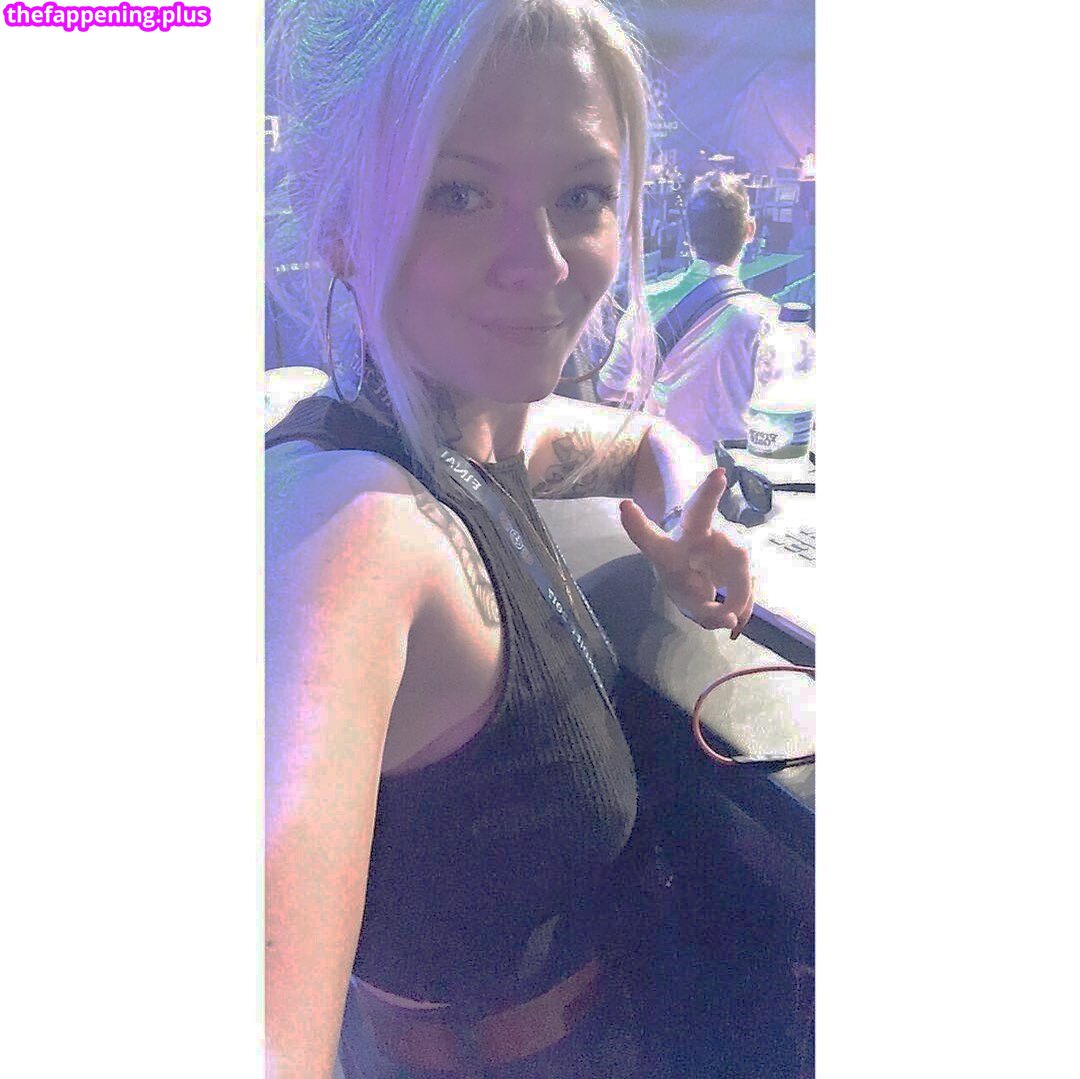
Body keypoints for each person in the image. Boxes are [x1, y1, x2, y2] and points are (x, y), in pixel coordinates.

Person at [264, 3, 755, 1076]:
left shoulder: (473, 427)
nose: (541, 263)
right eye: (458, 192)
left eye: (580, 196)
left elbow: (637, 438)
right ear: (342, 223)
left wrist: (686, 521)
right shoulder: (350, 529)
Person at [597, 170, 780, 451]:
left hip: (660, 462)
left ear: (688, 236)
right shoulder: (766, 318)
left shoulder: (648, 302)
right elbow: (780, 409)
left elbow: (608, 388)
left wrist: (659, 400)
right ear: (750, 230)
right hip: (729, 468)